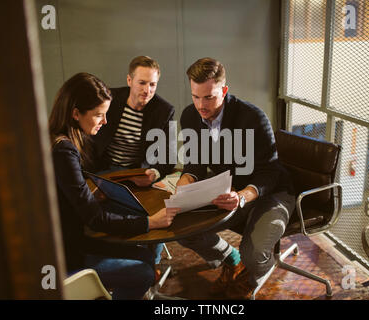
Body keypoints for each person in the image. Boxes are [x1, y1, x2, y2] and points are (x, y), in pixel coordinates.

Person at [49, 72, 179, 299]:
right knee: (143, 272)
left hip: (69, 241)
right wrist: (150, 222)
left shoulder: (57, 139)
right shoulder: (64, 151)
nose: (105, 122)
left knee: (147, 258)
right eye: (99, 115)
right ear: (76, 114)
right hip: (67, 254)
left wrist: (88, 197)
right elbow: (95, 219)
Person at [175, 58, 295, 299]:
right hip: (227, 191)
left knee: (255, 254)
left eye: (208, 97)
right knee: (183, 229)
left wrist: (242, 196)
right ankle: (230, 258)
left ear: (224, 90)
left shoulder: (253, 117)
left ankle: (252, 276)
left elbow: (269, 173)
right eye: (195, 96)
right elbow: (195, 164)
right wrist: (185, 182)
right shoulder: (190, 116)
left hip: (270, 193)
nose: (201, 105)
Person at [92, 55, 175, 187]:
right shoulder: (109, 99)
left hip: (135, 174)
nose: (147, 90)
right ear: (129, 80)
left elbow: (170, 156)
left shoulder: (164, 110)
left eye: (152, 84)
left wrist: (154, 173)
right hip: (101, 169)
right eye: (142, 83)